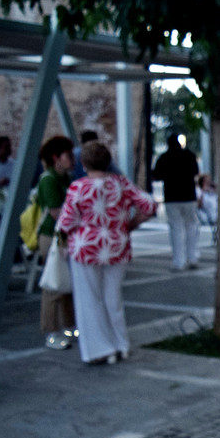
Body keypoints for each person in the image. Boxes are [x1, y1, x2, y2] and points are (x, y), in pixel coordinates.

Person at [56, 141, 156, 365]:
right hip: (117, 246)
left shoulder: (78, 188)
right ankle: (121, 345)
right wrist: (130, 224)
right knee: (113, 298)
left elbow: (65, 223)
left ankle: (100, 350)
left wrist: (59, 246)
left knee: (89, 300)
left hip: (86, 248)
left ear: (83, 164)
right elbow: (149, 206)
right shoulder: (121, 184)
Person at [35, 136, 77, 348]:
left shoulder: (66, 178)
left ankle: (69, 325)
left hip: (63, 235)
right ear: (56, 158)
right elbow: (56, 212)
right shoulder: (48, 179)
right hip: (52, 235)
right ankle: (51, 330)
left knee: (66, 281)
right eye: (68, 155)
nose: (72, 159)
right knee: (53, 283)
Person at [153, 136, 201, 271]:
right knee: (191, 226)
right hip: (189, 196)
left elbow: (157, 175)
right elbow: (196, 172)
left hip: (171, 196)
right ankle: (192, 257)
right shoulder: (189, 155)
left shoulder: (164, 158)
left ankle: (179, 261)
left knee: (176, 228)